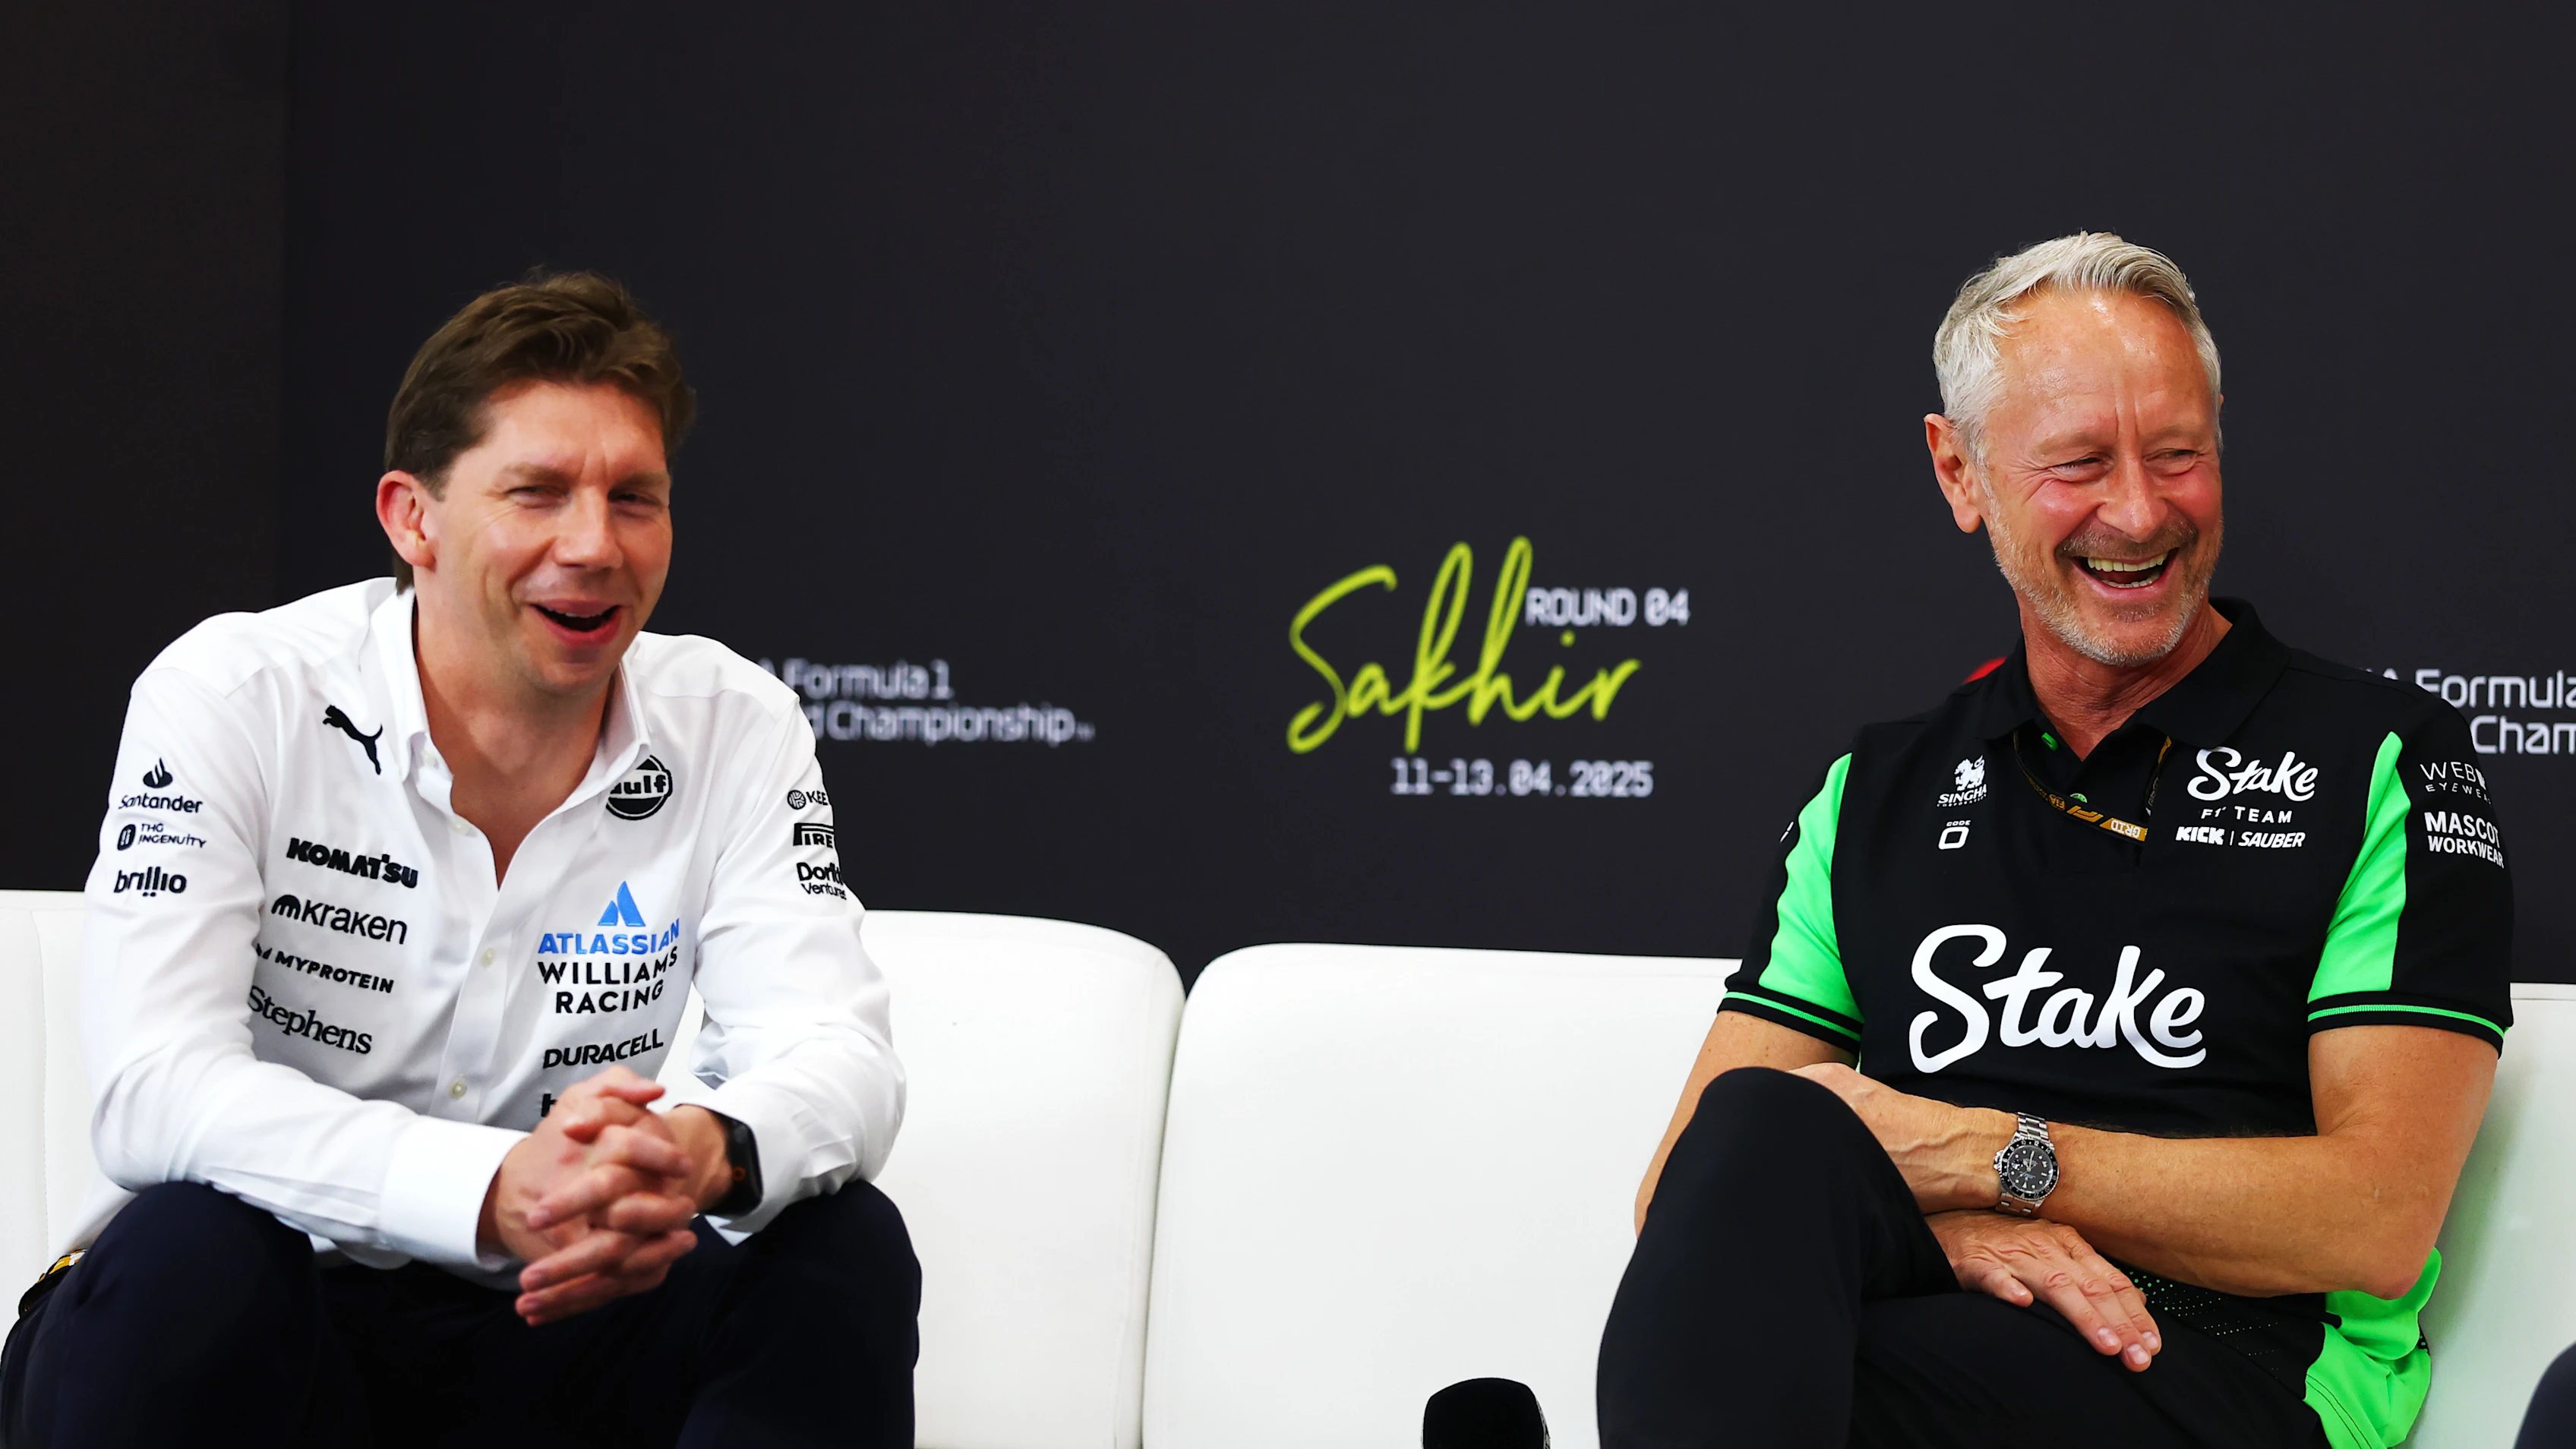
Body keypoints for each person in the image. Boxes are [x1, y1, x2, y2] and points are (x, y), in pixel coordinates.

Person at [1597, 234, 2511, 1449]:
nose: (2141, 512)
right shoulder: (1874, 790)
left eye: (2179, 454)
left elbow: (2378, 1216)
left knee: (1804, 1385)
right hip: (1922, 1320)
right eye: (2079, 464)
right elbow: (1697, 1190)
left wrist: (1988, 1157)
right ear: (1960, 472)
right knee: (1768, 1128)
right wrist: (1964, 1243)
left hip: (2224, 1373)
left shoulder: (2384, 759)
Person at [0, 273, 917, 1447]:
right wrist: (485, 1191)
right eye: (536, 492)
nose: (594, 545)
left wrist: (701, 1153)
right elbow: (153, 1086)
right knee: (193, 1249)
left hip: (556, 1338)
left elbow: (839, 1053)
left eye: (635, 497)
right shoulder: (234, 695)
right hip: (271, 1327)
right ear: (410, 518)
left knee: (837, 1245)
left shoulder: (738, 722)